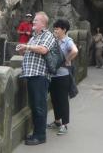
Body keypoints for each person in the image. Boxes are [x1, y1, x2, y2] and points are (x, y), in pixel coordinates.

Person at [16, 11, 56, 145]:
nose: (33, 22)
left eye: (36, 20)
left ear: (43, 24)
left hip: (40, 76)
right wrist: (23, 50)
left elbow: (43, 50)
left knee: (39, 106)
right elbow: (31, 50)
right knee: (34, 106)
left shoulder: (48, 35)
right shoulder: (34, 37)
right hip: (31, 75)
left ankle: (40, 136)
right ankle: (36, 133)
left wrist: (27, 46)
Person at [47, 19, 78, 135]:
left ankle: (64, 125)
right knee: (54, 99)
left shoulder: (67, 41)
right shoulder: (54, 41)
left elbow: (75, 51)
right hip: (53, 75)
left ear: (64, 30)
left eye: (57, 28)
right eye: (54, 28)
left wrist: (66, 60)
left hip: (63, 76)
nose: (55, 30)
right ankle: (57, 121)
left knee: (63, 100)